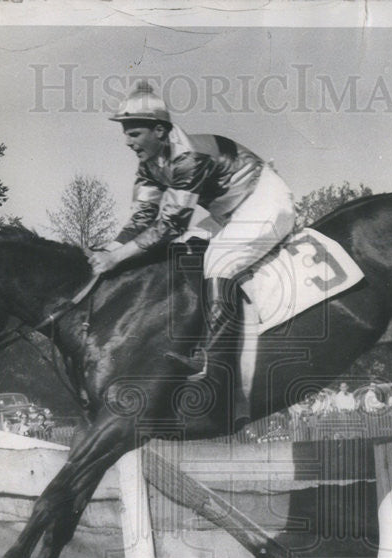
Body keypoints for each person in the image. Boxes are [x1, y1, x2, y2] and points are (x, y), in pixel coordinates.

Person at [90, 81, 296, 378]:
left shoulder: (188, 157)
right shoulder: (149, 164)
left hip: (266, 200)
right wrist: (106, 251)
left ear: (159, 131)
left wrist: (118, 257)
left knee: (219, 264)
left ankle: (217, 360)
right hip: (231, 211)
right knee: (182, 252)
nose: (126, 141)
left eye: (133, 132)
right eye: (124, 132)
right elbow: (141, 219)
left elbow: (171, 225)